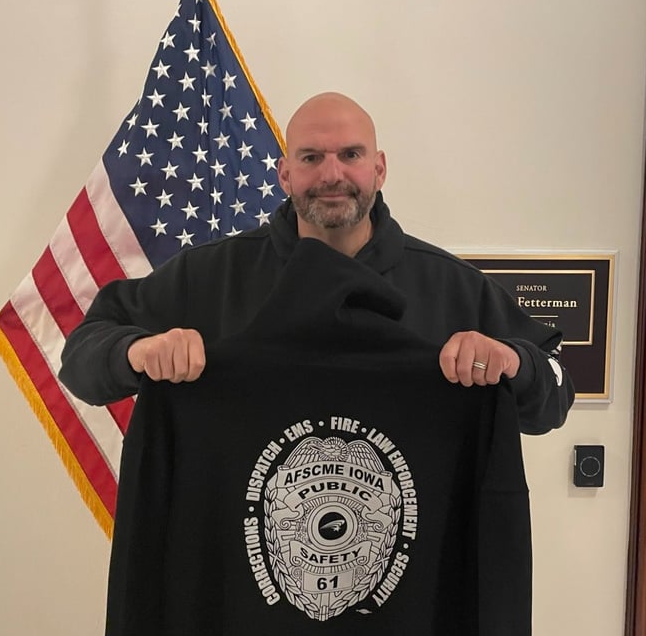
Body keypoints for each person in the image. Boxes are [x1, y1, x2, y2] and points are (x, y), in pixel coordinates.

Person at [59, 92, 574, 434]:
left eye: (350, 155)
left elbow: (554, 394)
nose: (332, 174)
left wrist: (514, 363)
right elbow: (82, 359)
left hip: (412, 593)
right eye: (311, 158)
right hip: (241, 589)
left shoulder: (451, 286)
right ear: (284, 174)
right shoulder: (209, 276)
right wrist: (138, 351)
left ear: (380, 168)